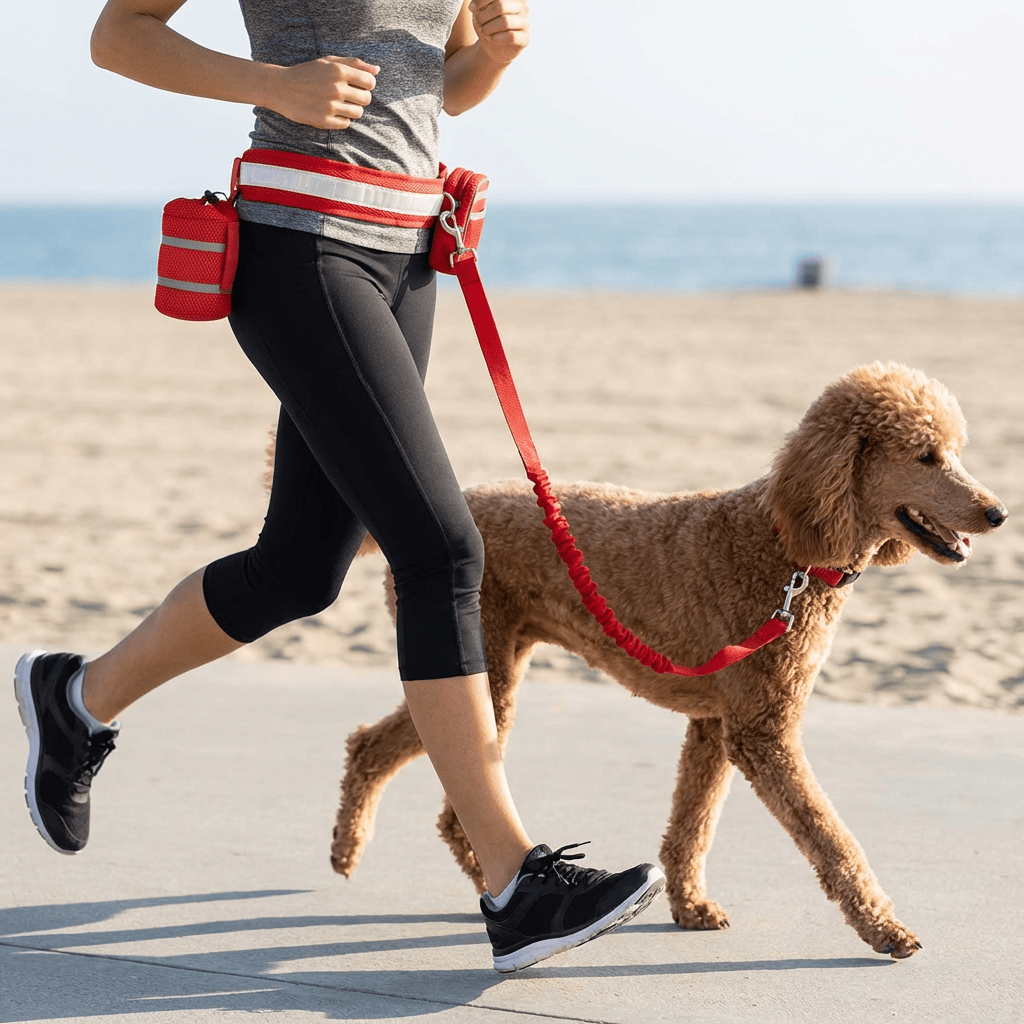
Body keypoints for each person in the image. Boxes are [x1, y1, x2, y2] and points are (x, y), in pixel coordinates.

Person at [13, 0, 665, 973]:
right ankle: (513, 880)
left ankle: (74, 696)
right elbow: (118, 34)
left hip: (406, 259)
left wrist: (490, 55)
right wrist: (272, 86)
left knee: (299, 568)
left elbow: (436, 86)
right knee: (442, 548)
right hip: (299, 246)